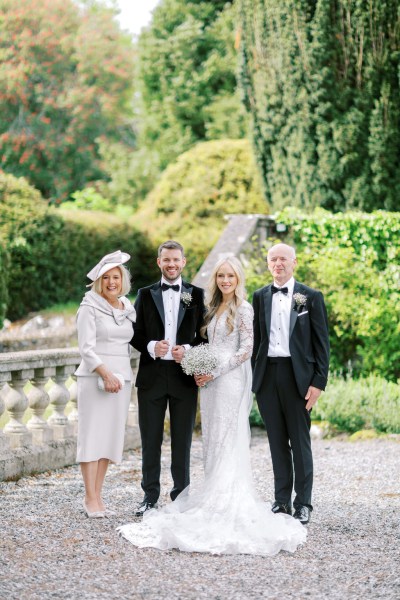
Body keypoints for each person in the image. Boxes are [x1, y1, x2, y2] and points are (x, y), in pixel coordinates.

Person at [118, 256, 306, 555]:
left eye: (230, 276)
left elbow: (246, 349)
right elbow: (201, 341)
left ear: (238, 278)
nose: (226, 281)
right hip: (206, 383)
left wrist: (214, 370)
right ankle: (209, 495)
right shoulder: (209, 306)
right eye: (221, 276)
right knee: (212, 440)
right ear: (216, 279)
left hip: (228, 380)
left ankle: (227, 500)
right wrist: (192, 361)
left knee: (227, 438)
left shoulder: (244, 309)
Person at [252, 243, 330, 525]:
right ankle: (281, 500)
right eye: (273, 259)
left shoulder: (310, 297)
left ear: (294, 262)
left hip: (299, 378)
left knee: (300, 442)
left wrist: (318, 382)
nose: (278, 263)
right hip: (268, 376)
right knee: (276, 442)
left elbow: (322, 344)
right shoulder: (260, 296)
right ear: (268, 263)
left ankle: (304, 503)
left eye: (283, 259)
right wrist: (255, 378)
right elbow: (256, 341)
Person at [130, 240, 205, 516]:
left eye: (176, 260)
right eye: (166, 260)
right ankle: (149, 496)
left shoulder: (196, 295)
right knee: (150, 438)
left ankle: (181, 496)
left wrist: (186, 349)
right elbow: (134, 332)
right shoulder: (145, 294)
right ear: (158, 262)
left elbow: (204, 335)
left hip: (183, 376)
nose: (171, 264)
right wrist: (151, 347)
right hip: (151, 376)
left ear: (183, 262)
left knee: (182, 439)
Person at [75, 250, 136, 518]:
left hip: (122, 379)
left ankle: (99, 496)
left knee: (109, 439)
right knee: (92, 437)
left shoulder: (126, 307)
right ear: (99, 281)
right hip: (96, 377)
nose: (112, 282)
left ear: (123, 280)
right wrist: (105, 374)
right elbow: (86, 349)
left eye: (116, 277)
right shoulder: (89, 307)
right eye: (107, 278)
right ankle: (89, 498)